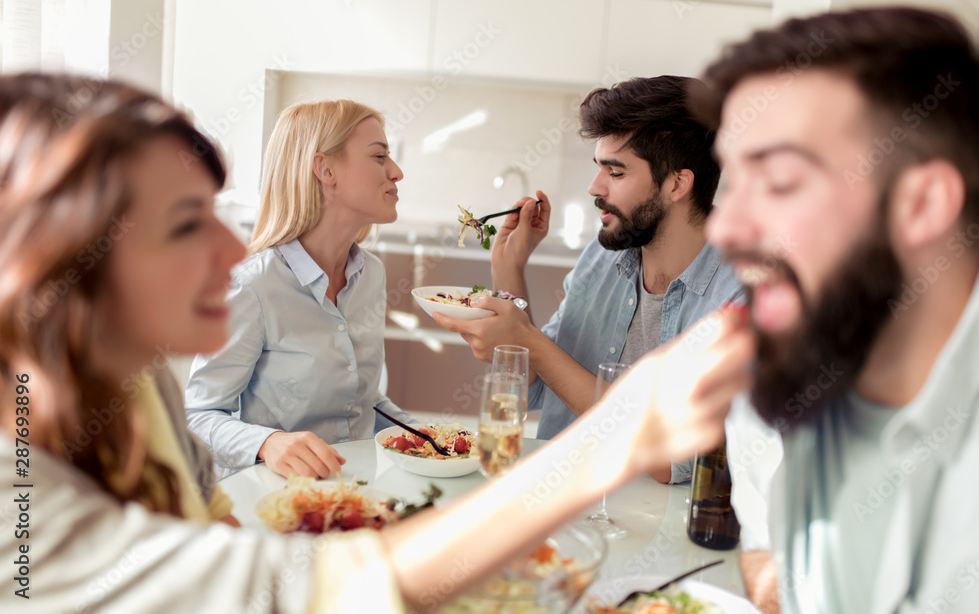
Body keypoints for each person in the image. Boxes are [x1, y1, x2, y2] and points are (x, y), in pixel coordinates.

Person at [0, 73, 755, 613]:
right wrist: (613, 438)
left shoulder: (138, 386)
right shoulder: (16, 496)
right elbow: (294, 592)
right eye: (184, 223)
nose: (232, 252)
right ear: (65, 257)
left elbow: (216, 522)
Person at [693, 6, 979, 613]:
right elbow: (764, 548)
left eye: (779, 180)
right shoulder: (783, 368)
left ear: (921, 204)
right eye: (731, 180)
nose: (723, 228)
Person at [435, 75, 742, 483]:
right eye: (599, 168)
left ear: (676, 184)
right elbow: (534, 387)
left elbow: (672, 459)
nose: (594, 188)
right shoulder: (605, 255)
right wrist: (508, 270)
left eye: (615, 173)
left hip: (653, 525)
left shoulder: (738, 294)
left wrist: (532, 343)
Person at [185, 100, 416, 479]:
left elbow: (361, 399)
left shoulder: (370, 275)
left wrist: (425, 436)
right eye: (379, 157)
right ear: (326, 169)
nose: (397, 172)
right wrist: (267, 442)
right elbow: (197, 417)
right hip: (270, 503)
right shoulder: (252, 285)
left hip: (353, 492)